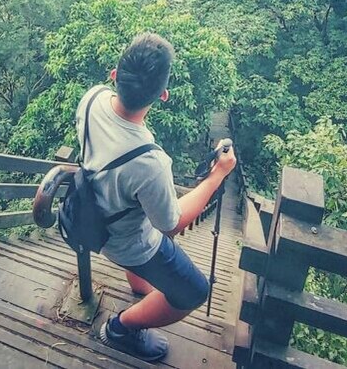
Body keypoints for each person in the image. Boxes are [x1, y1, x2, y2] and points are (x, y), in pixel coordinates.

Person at [75, 31, 237, 363]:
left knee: (136, 243)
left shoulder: (91, 99)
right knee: (195, 291)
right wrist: (218, 174)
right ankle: (120, 328)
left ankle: (140, 291)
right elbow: (170, 224)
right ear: (162, 95)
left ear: (114, 75)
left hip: (92, 222)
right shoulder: (149, 161)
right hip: (129, 244)